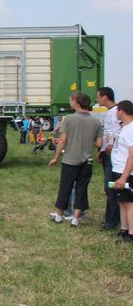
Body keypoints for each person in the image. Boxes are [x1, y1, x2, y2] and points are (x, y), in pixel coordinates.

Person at [48, 92, 103, 227]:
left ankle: (59, 216)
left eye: (70, 101)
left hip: (69, 160)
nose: (69, 103)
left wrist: (56, 157)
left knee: (65, 188)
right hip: (87, 162)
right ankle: (75, 219)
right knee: (81, 190)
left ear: (77, 103)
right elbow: (99, 143)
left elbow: (63, 140)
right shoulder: (96, 122)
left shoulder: (68, 119)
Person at [97, 87, 121, 230]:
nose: (97, 100)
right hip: (106, 154)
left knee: (111, 186)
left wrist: (109, 147)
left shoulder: (116, 112)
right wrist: (101, 151)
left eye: (98, 97)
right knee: (109, 187)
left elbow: (115, 133)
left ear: (105, 97)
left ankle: (112, 221)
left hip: (113, 155)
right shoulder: (108, 113)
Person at [111, 100, 133, 242]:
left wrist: (124, 177)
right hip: (117, 169)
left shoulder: (131, 129)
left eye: (117, 111)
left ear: (122, 111)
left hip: (126, 172)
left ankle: (131, 233)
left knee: (129, 202)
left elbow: (132, 155)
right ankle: (124, 229)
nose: (116, 114)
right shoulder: (124, 128)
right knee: (121, 201)